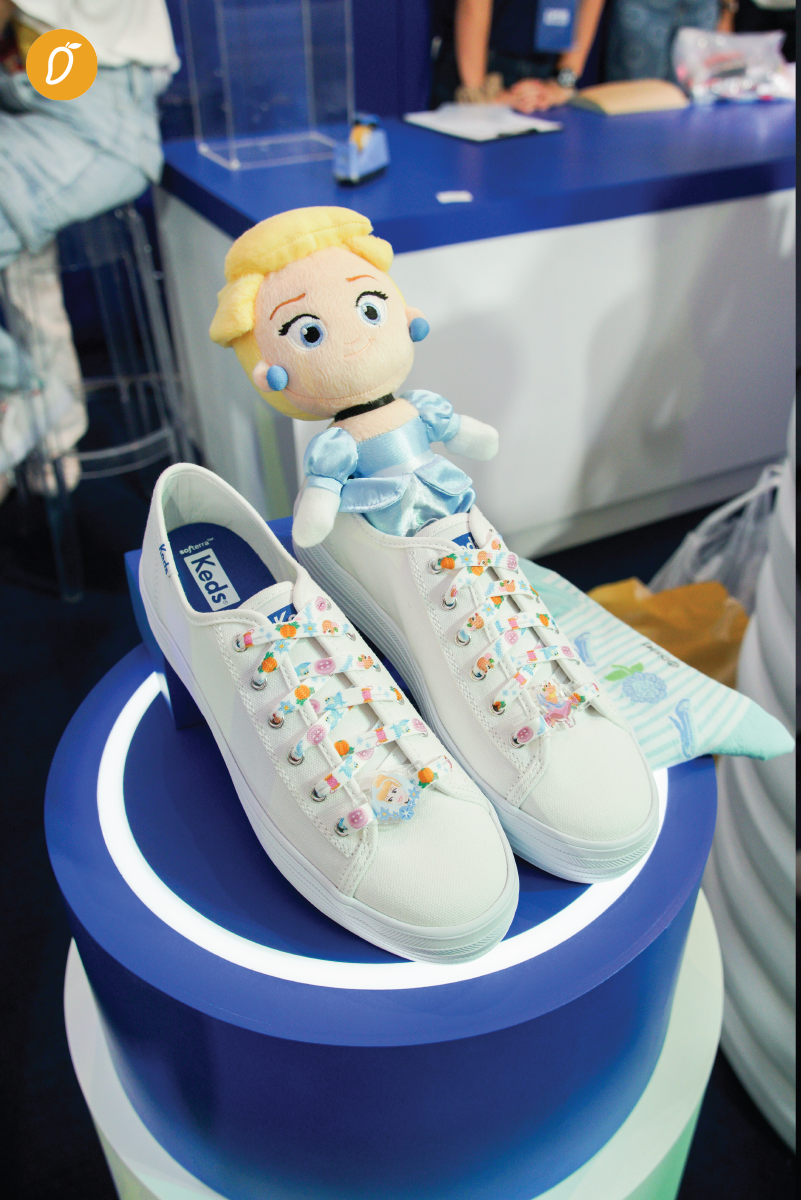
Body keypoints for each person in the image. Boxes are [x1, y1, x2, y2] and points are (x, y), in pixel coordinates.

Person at [0, 1, 178, 493]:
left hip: (93, 98)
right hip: (42, 86)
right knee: (21, 246)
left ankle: (27, 400)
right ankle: (45, 417)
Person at [430, 0, 607, 112]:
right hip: (477, 69)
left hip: (545, 74)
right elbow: (473, 5)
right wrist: (478, 93)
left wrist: (562, 83)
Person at [605, 0, 733, 82]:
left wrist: (727, 10)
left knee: (696, 102)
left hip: (702, 9)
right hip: (643, 8)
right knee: (633, 99)